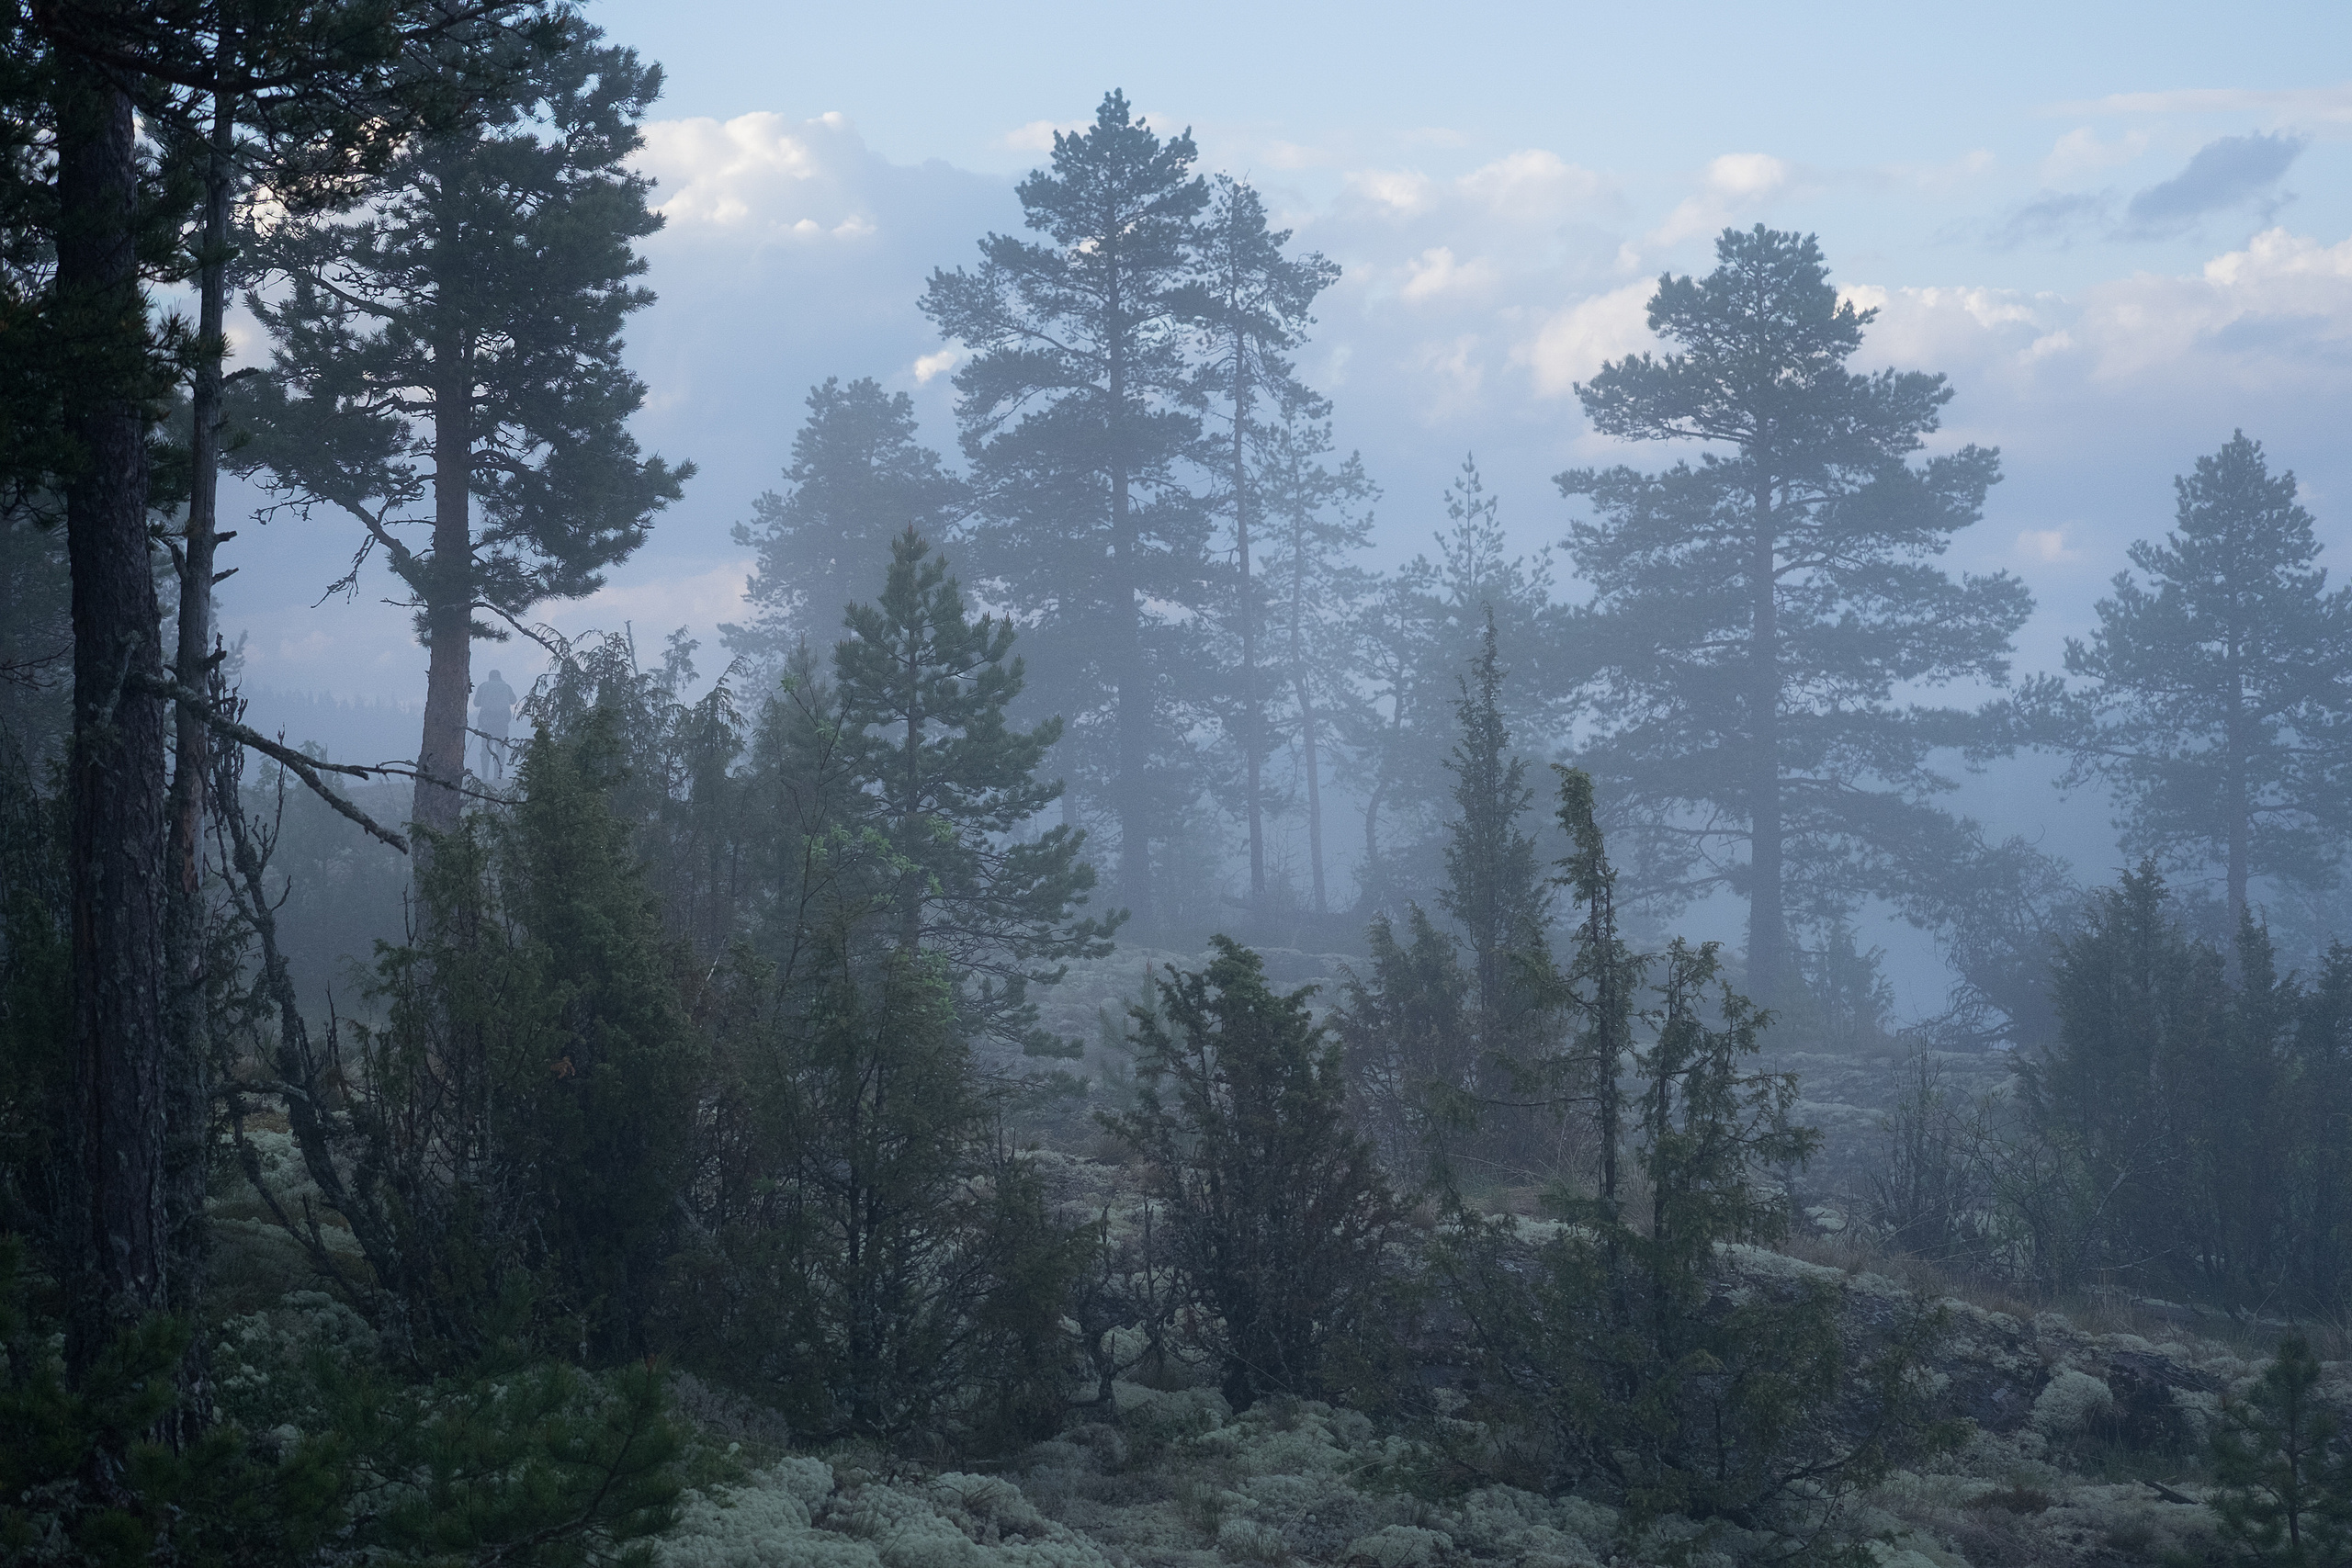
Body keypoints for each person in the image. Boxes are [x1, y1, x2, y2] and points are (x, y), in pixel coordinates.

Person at [473, 669, 516, 781]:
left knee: (486, 749)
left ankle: (484, 776)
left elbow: (476, 703)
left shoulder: (483, 686)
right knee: (501, 750)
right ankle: (498, 776)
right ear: (500, 677)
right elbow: (513, 700)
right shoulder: (506, 687)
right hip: (502, 723)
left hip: (487, 723)